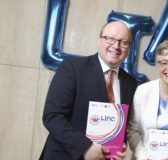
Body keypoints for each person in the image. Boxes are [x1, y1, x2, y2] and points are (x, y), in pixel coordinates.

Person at [40, 21, 138, 160]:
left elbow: (124, 124)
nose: (116, 46)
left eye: (123, 42)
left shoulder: (130, 82)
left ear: (129, 48)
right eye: (110, 39)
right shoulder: (73, 68)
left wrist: (120, 145)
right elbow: (52, 116)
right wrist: (85, 147)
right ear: (99, 40)